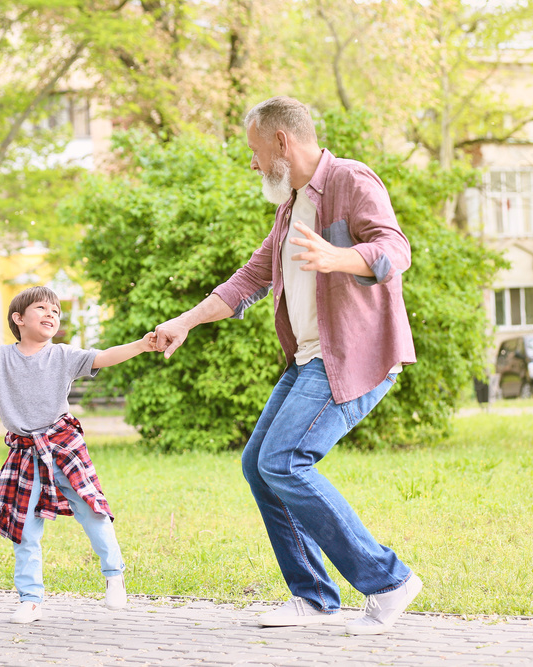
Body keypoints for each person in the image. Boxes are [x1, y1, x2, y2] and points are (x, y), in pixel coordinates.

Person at [153, 96, 421, 635]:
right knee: (260, 465)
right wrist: (183, 321)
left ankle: (389, 581)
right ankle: (314, 596)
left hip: (350, 356)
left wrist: (337, 257)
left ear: (281, 142)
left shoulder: (350, 180)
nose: (251, 163)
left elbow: (396, 249)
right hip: (309, 358)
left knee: (286, 461)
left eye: (254, 150)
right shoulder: (290, 204)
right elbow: (249, 279)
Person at [0, 285, 156, 624]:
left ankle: (114, 575)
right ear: (19, 318)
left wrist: (142, 345)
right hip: (25, 450)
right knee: (25, 528)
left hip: (62, 443)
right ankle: (30, 599)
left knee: (92, 510)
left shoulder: (62, 355)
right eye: (43, 309)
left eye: (56, 312)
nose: (51, 315)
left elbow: (103, 356)